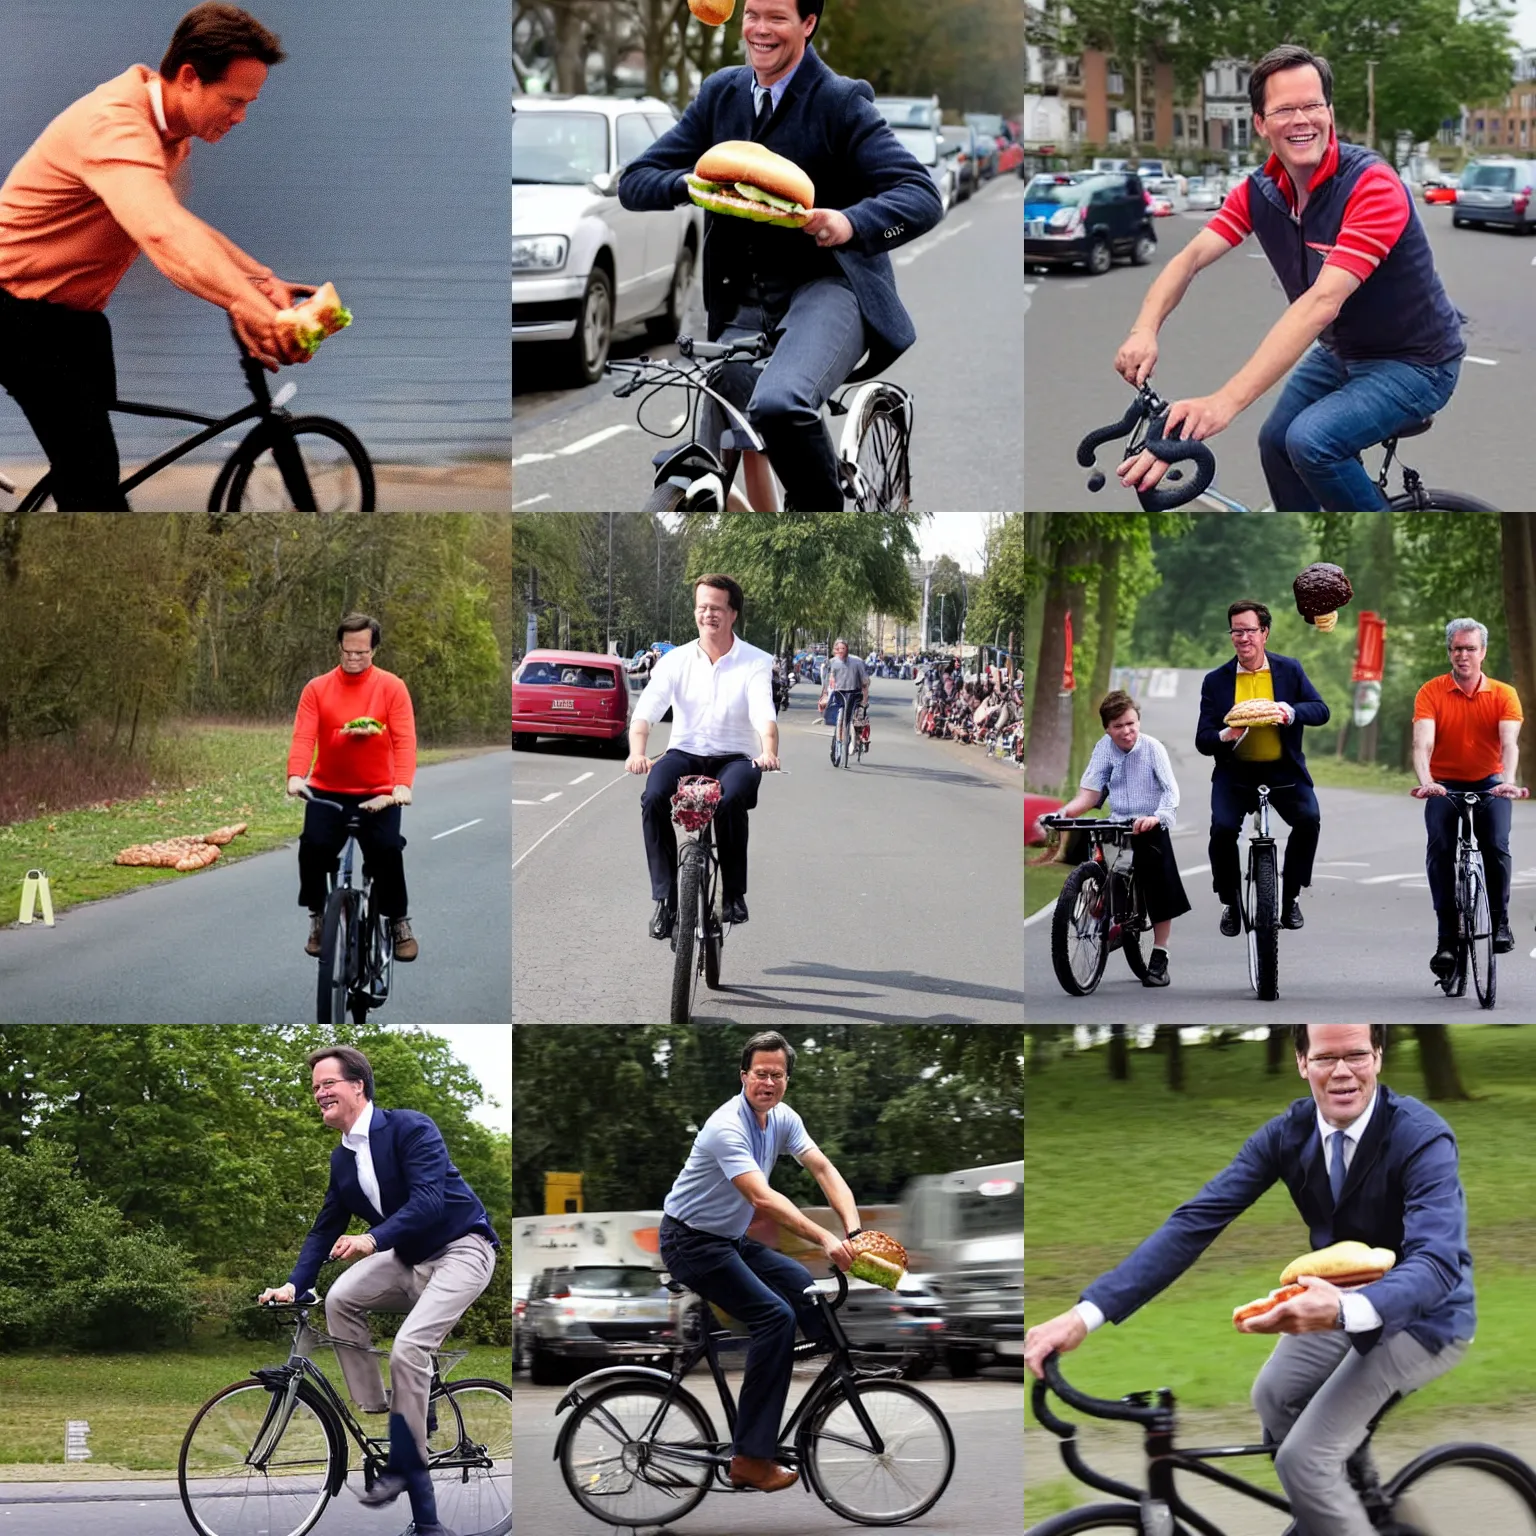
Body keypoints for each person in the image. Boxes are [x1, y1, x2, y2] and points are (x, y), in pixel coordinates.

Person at [1024, 1025, 1474, 1536]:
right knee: (1274, 1397)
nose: (1343, 1072)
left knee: (1303, 1461)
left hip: (1426, 1318)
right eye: (1327, 1058)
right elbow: (1194, 1223)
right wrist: (1084, 1316)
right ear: (1303, 1063)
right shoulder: (1289, 1134)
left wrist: (1346, 1311)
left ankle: (1342, 1504)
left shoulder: (1421, 1135)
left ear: (1378, 1057)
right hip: (1337, 1302)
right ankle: (1366, 1507)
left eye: (1356, 1055)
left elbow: (1438, 1262)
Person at [615, 0, 944, 511]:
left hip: (828, 287)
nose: (760, 30)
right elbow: (634, 182)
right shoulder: (720, 92)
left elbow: (922, 196)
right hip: (740, 300)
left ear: (808, 25)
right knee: (716, 443)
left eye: (777, 17)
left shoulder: (840, 101)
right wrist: (695, 185)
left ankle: (823, 520)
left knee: (778, 404)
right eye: (752, 15)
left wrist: (849, 221)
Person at [1113, 44, 1465, 512]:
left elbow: (1322, 302)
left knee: (1311, 441)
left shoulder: (1371, 186)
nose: (1302, 120)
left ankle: (1380, 561)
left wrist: (1223, 403)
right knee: (1275, 442)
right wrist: (1144, 329)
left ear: (1330, 112)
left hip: (1417, 362)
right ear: (1261, 123)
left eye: (1313, 105)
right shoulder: (1260, 192)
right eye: (1284, 109)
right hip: (1345, 353)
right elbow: (1190, 257)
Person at [0, 4, 313, 510]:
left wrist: (259, 281)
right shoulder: (116, 126)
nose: (241, 117)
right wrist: (261, 313)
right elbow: (164, 237)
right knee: (95, 482)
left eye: (249, 103)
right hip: (16, 315)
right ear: (189, 77)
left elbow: (178, 224)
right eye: (234, 100)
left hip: (71, 320)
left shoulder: (170, 135)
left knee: (85, 463)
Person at [257, 1045, 501, 1536]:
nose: (318, 1092)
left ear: (358, 1087)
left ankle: (406, 1461)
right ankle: (387, 1413)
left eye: (328, 1083)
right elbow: (324, 1230)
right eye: (315, 1087)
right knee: (340, 1300)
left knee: (410, 1350)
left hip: (462, 1250)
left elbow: (431, 1201)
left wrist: (371, 1239)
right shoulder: (342, 1161)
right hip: (408, 1257)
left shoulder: (410, 1128)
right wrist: (292, 1284)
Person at [659, 1031, 859, 1494]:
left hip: (727, 1240)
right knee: (775, 1317)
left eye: (777, 1074)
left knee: (805, 1288)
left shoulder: (783, 1118)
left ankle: (833, 1377)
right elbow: (761, 1197)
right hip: (690, 1242)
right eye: (760, 1074)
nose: (768, 1082)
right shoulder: (726, 1125)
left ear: (787, 1079)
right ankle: (750, 1456)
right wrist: (826, 1237)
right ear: (744, 1076)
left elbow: (824, 1169)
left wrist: (853, 1230)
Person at [628, 574, 778, 935]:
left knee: (728, 802)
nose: (708, 614)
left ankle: (733, 896)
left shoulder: (755, 662)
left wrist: (768, 750)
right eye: (702, 607)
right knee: (652, 797)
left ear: (732, 614)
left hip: (736, 758)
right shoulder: (676, 660)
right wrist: (638, 752)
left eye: (716, 608)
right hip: (685, 753)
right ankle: (665, 901)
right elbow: (647, 710)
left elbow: (763, 712)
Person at [286, 613, 420, 961]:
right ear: (339, 647)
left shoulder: (392, 687)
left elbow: (405, 739)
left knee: (388, 850)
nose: (354, 658)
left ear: (374, 649)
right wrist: (296, 776)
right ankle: (318, 917)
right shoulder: (317, 688)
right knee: (312, 847)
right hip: (328, 790)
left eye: (361, 652)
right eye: (348, 651)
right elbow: (304, 736)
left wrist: (401, 786)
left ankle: (398, 922)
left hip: (380, 792)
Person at [1197, 600, 1329, 933]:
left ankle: (1292, 897)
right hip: (1235, 774)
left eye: (1250, 630)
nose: (1243, 638)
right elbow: (1203, 739)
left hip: (1283, 771)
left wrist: (1291, 711)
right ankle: (1229, 901)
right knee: (1223, 830)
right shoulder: (1216, 681)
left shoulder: (1289, 670)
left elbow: (1321, 710)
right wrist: (1225, 734)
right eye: (1236, 631)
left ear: (1265, 633)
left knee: (1309, 820)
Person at [1410, 617, 1526, 977]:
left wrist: (1507, 781)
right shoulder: (1431, 691)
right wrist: (1427, 780)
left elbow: (1509, 743)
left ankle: (1501, 921)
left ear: (1483, 653)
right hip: (1444, 783)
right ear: (1449, 651)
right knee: (1441, 846)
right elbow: (1422, 742)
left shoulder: (1504, 694)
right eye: (1457, 648)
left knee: (1496, 843)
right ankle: (1447, 938)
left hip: (1491, 781)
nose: (1463, 655)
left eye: (1470, 649)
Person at [1054, 689, 1190, 986]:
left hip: (1151, 822)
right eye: (1118, 727)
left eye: (1131, 723)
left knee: (1158, 885)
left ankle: (1160, 953)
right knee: (1105, 869)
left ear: (1138, 721)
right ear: (1107, 729)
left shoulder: (1153, 748)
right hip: (1118, 822)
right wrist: (1064, 813)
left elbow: (1171, 791)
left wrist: (1158, 816)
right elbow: (1090, 793)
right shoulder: (1104, 749)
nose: (1126, 731)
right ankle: (1109, 919)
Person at [818, 637, 871, 761]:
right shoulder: (831, 663)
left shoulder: (857, 663)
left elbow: (864, 682)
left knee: (857, 719)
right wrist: (825, 695)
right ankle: (837, 741)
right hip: (839, 693)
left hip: (854, 693)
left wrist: (864, 699)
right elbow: (826, 682)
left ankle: (856, 739)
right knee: (836, 716)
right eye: (837, 649)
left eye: (843, 648)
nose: (840, 651)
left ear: (847, 649)